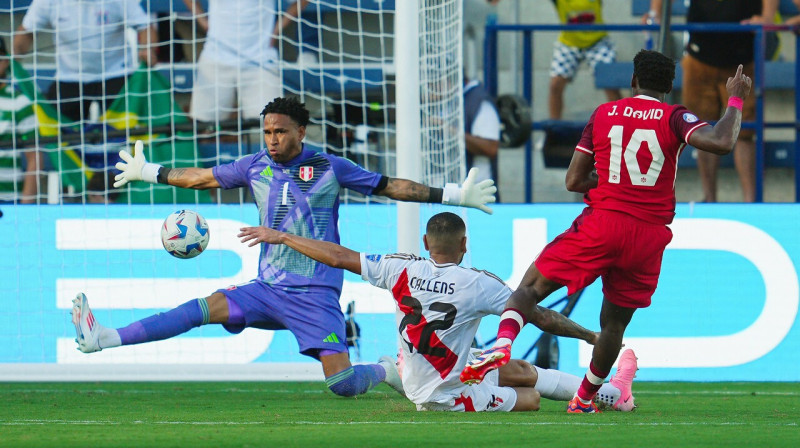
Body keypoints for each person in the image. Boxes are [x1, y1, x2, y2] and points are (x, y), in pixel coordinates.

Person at [71, 97, 497, 398]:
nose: (271, 140)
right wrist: (152, 172)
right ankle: (104, 337)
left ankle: (387, 369)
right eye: (267, 132)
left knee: (342, 385)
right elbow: (201, 177)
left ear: (300, 132)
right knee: (199, 308)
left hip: (315, 295)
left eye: (279, 132)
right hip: (268, 288)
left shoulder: (330, 166)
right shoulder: (253, 165)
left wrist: (453, 195)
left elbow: (390, 186)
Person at [460, 50, 752, 413]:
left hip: (603, 222)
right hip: (648, 234)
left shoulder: (604, 114)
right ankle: (583, 398)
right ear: (669, 86)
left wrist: (612, 181)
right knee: (613, 325)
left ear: (633, 81)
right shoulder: (675, 116)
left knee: (529, 290)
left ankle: (502, 345)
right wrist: (736, 96)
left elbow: (573, 180)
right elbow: (722, 142)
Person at [242, 211, 638, 412]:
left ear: (425, 241)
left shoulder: (400, 267)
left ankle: (615, 394)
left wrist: (281, 236)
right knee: (531, 399)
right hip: (445, 395)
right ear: (464, 244)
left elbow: (340, 256)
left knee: (516, 368)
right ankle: (611, 395)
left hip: (440, 368)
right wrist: (591, 336)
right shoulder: (479, 282)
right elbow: (541, 316)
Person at [13, 0, 158, 203]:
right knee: (53, 135)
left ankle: (120, 195)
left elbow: (145, 27)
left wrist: (148, 49)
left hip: (116, 74)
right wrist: (12, 60)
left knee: (129, 135)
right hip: (68, 78)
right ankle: (72, 192)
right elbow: (24, 33)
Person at [647, 0, 778, 202]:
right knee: (702, 131)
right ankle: (709, 198)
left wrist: (768, 17)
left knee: (746, 133)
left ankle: (751, 201)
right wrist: (655, 14)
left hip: (742, 59)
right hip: (700, 59)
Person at [181, 0, 309, 123]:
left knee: (271, 126)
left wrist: (277, 30)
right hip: (216, 57)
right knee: (204, 126)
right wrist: (203, 21)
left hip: (261, 60)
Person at [548, 0, 621, 120]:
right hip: (569, 43)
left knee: (610, 84)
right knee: (555, 84)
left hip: (598, 42)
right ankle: (553, 132)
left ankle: (623, 129)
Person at [0, 37, 44, 204]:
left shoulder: (20, 102)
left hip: (7, 201)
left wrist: (26, 205)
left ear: (5, 63)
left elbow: (34, 157)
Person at [463, 78, 500, 200]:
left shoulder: (479, 101)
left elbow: (491, 147)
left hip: (478, 196)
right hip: (448, 194)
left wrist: (453, 133)